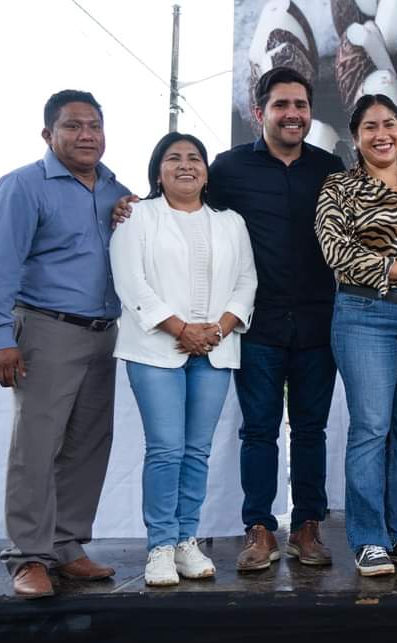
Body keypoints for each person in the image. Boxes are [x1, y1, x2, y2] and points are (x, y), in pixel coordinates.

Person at [0, 90, 128, 598]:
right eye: (73, 126)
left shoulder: (116, 191)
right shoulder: (23, 186)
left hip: (104, 335)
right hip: (46, 330)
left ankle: (66, 546)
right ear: (49, 134)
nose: (87, 135)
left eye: (94, 126)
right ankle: (27, 555)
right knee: (36, 448)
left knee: (89, 444)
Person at [207, 67, 345, 571]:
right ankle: (260, 528)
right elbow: (188, 209)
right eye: (282, 104)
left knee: (311, 429)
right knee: (259, 429)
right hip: (256, 323)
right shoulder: (228, 168)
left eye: (301, 105)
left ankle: (307, 526)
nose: (293, 114)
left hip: (317, 321)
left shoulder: (330, 168)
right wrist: (132, 207)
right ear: (258, 112)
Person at [110, 132, 257, 586]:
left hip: (215, 349)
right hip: (155, 350)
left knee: (196, 451)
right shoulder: (137, 216)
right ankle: (159, 546)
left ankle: (185, 542)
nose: (185, 165)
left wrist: (218, 329)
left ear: (207, 173)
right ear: (159, 171)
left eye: (194, 158)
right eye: (173, 158)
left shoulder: (231, 222)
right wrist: (181, 329)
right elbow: (130, 282)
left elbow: (247, 281)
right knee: (166, 449)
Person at [316, 93, 397, 577]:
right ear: (356, 138)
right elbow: (336, 250)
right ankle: (368, 538)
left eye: (389, 124)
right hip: (365, 315)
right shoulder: (339, 186)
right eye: (370, 127)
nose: (381, 134)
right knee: (372, 428)